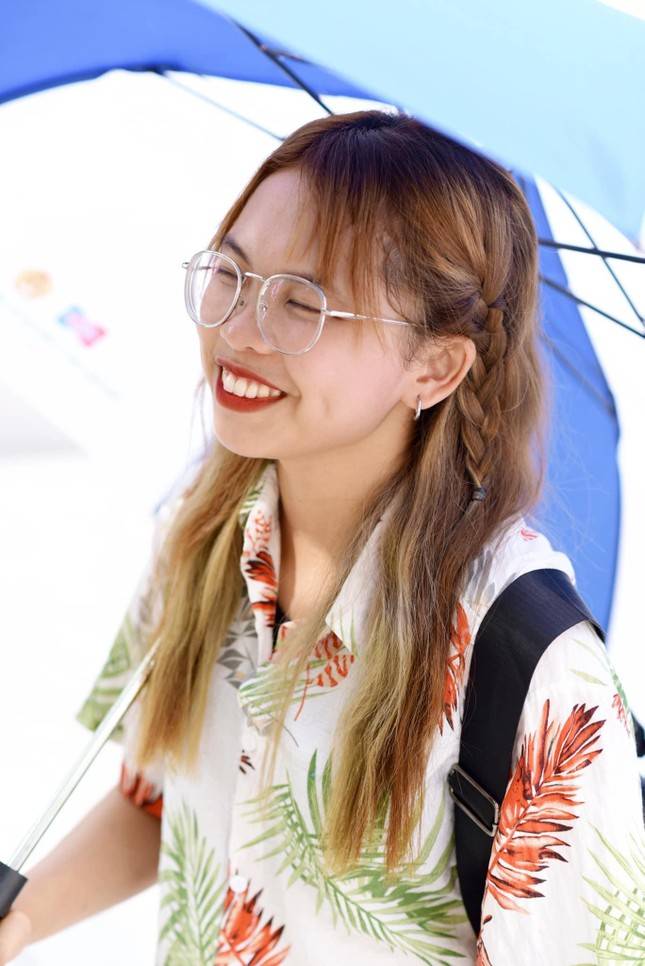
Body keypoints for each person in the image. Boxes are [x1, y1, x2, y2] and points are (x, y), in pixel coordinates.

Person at [2, 110, 643, 965]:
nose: (238, 331)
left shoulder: (532, 667)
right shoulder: (205, 533)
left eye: (302, 304)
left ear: (433, 367)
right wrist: (21, 922)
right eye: (230, 274)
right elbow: (162, 799)